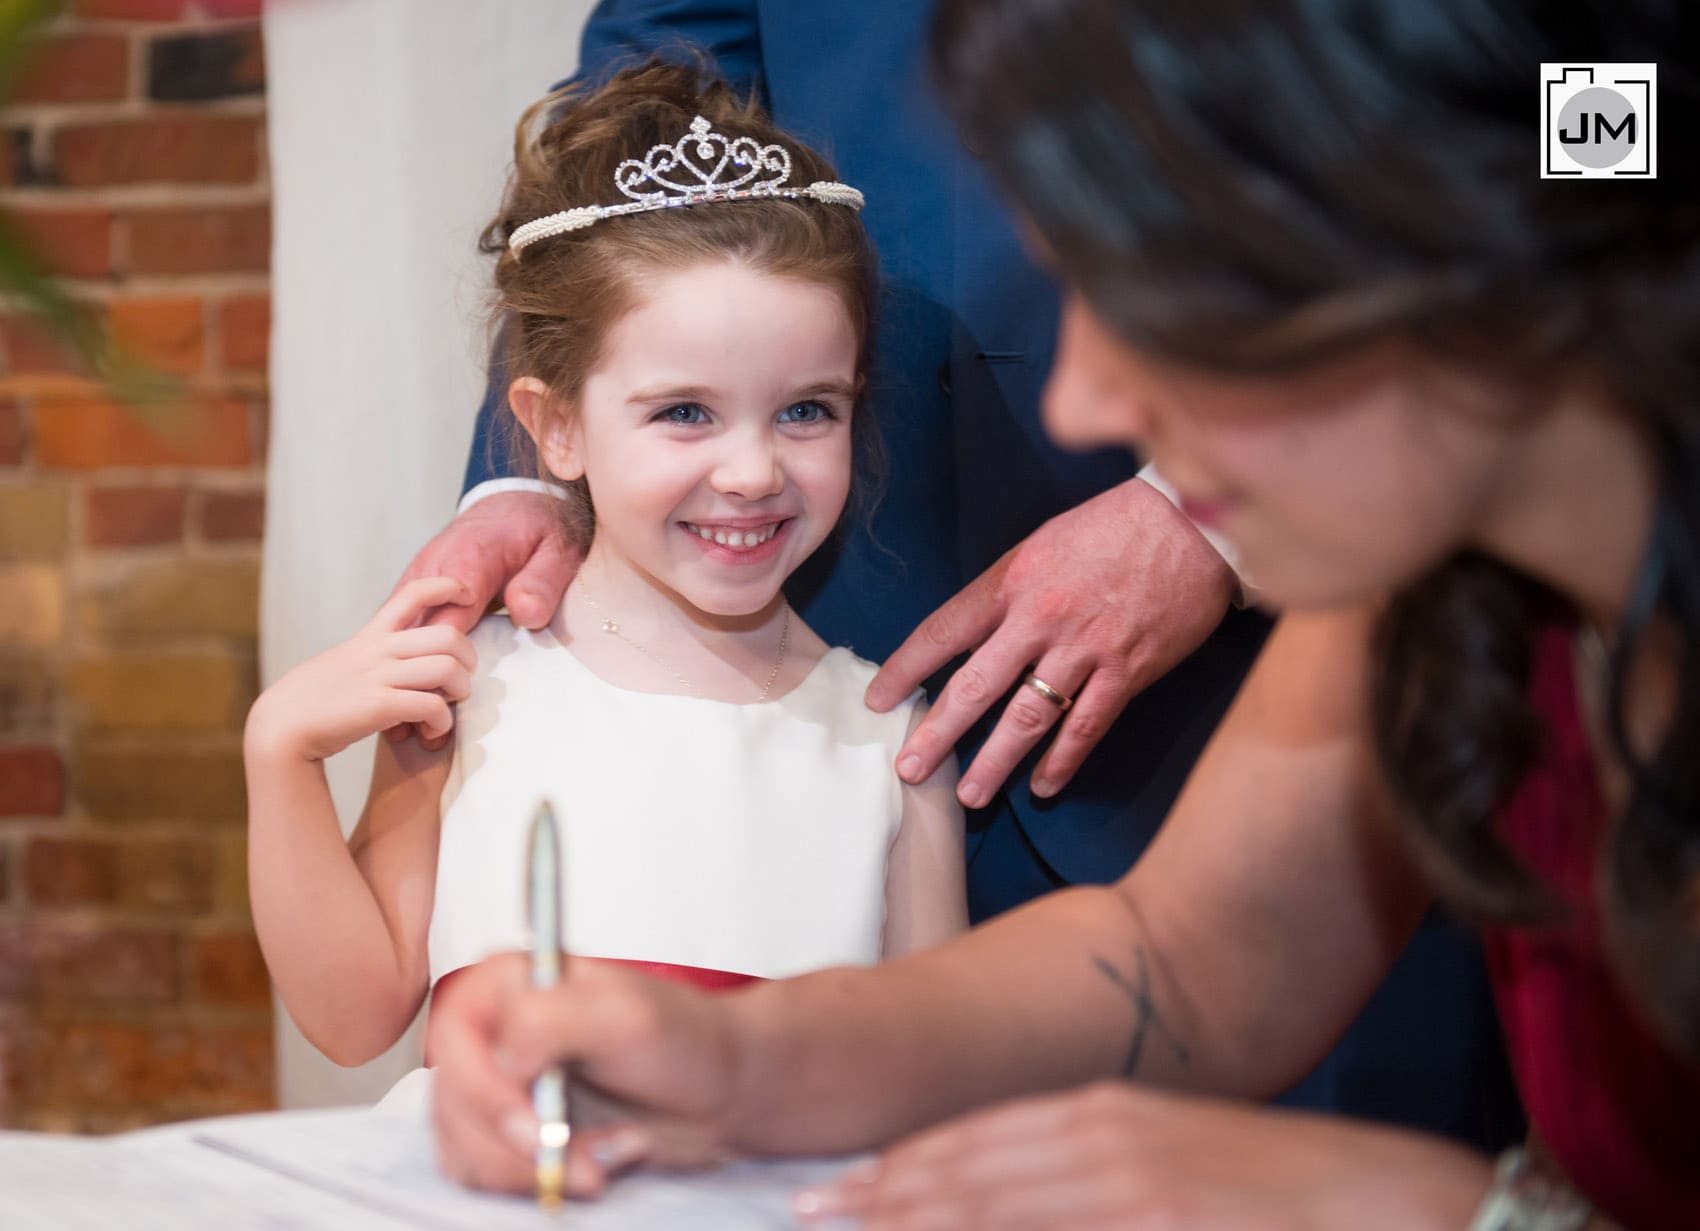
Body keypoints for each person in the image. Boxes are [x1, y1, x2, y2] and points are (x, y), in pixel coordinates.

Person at [426, 0, 1700, 1226]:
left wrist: (1455, 1212)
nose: (1084, 400)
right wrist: (732, 1054)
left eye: (1146, 282)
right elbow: (1182, 966)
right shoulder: (1427, 593)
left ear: (1427, 234)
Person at [243, 63, 968, 1072]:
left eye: (807, 409)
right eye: (684, 412)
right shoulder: (465, 684)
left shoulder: (891, 743)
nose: (753, 470)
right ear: (556, 427)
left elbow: (925, 1081)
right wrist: (279, 753)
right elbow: (353, 1016)